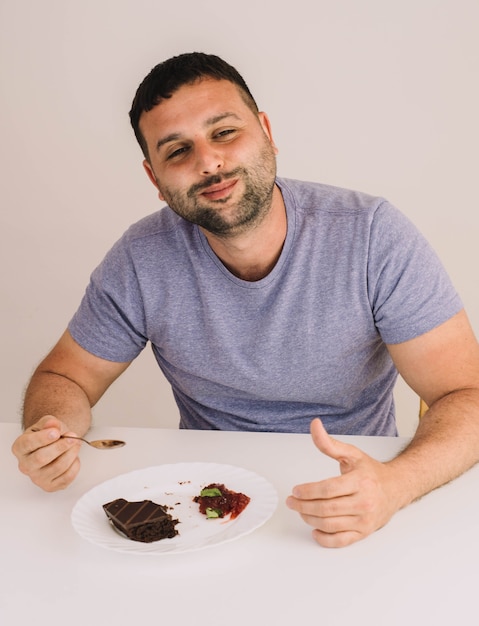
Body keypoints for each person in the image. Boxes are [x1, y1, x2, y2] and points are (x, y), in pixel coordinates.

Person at [12, 52, 479, 548]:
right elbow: (64, 376)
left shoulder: (371, 235)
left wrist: (395, 484)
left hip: (356, 488)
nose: (209, 162)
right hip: (207, 508)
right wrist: (51, 434)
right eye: (177, 151)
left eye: (224, 132)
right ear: (155, 179)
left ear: (266, 131)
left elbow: (466, 394)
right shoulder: (140, 258)